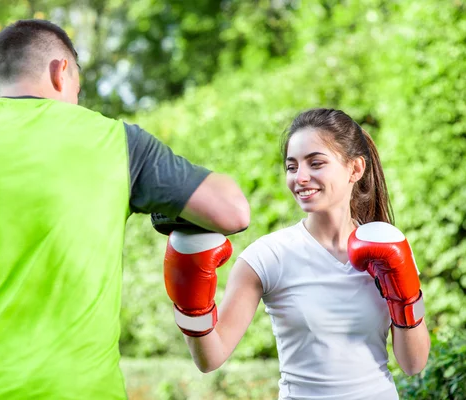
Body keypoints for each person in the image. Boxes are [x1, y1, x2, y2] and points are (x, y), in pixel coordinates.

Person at [0, 19, 250, 400]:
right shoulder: (117, 141)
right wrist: (165, 213)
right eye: (78, 90)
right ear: (61, 72)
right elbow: (233, 212)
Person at [159, 108, 430, 399]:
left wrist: (405, 298)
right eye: (292, 167)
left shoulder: (388, 248)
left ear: (355, 169)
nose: (300, 177)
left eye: (315, 163)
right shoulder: (267, 256)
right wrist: (191, 307)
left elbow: (413, 364)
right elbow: (210, 359)